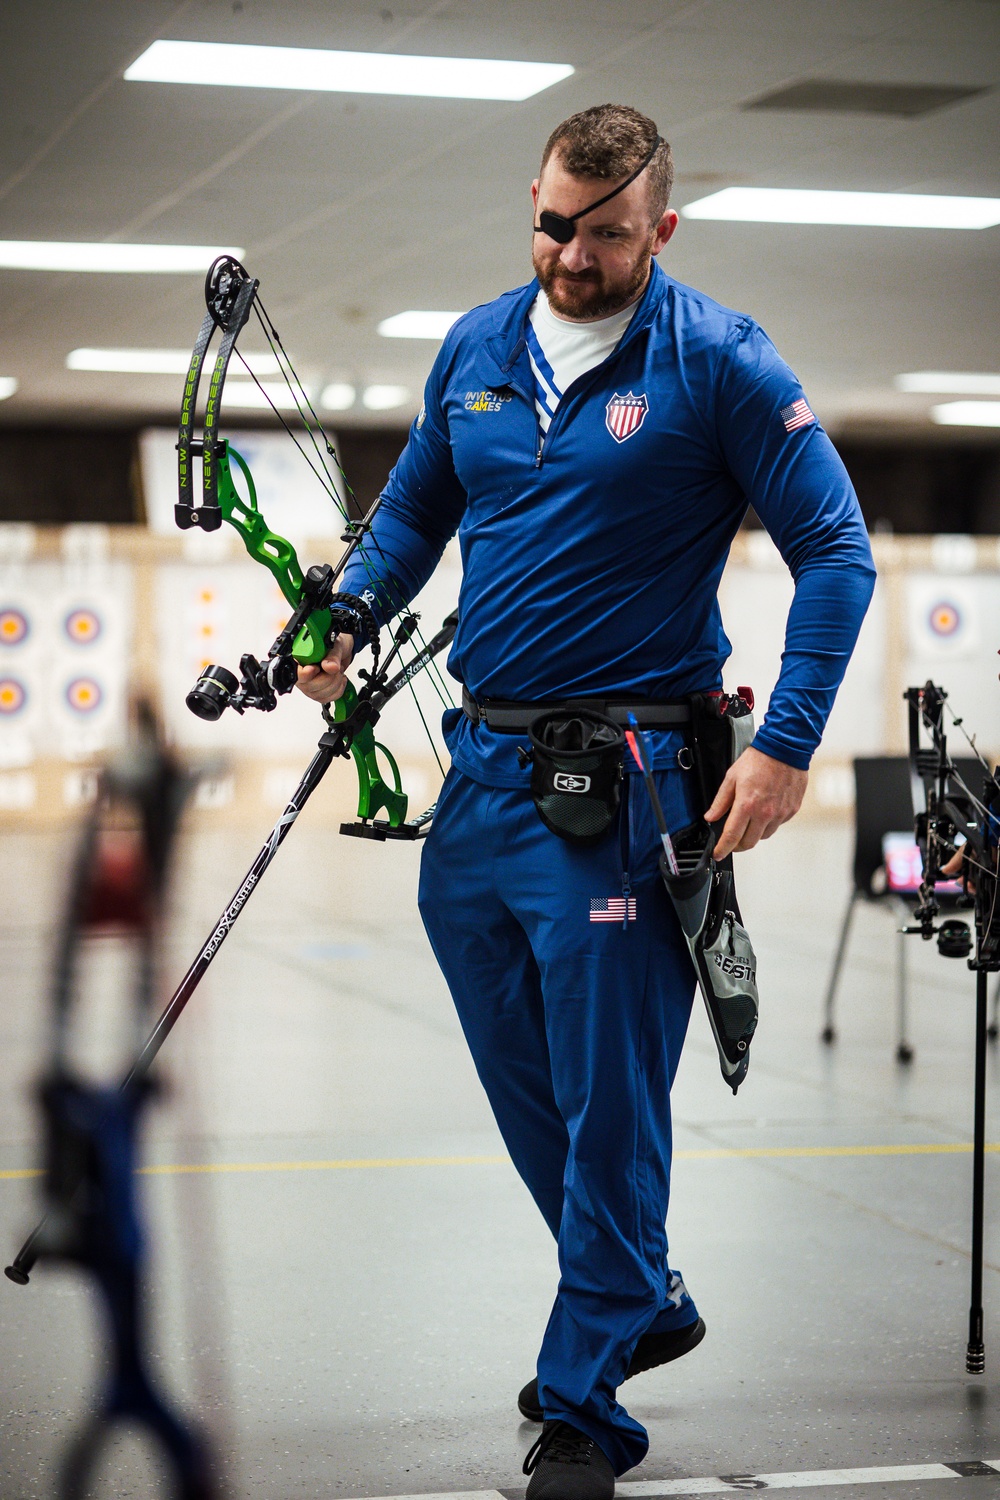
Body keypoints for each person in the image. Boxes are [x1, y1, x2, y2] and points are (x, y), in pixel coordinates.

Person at [297, 104, 876, 1500]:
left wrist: (787, 743)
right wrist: (349, 612)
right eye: (551, 222)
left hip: (626, 782)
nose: (569, 252)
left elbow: (837, 555)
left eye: (604, 232)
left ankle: (585, 1401)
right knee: (530, 1083)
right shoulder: (480, 346)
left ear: (659, 229)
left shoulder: (719, 361)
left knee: (611, 1099)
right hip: (480, 786)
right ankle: (639, 1290)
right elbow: (414, 514)